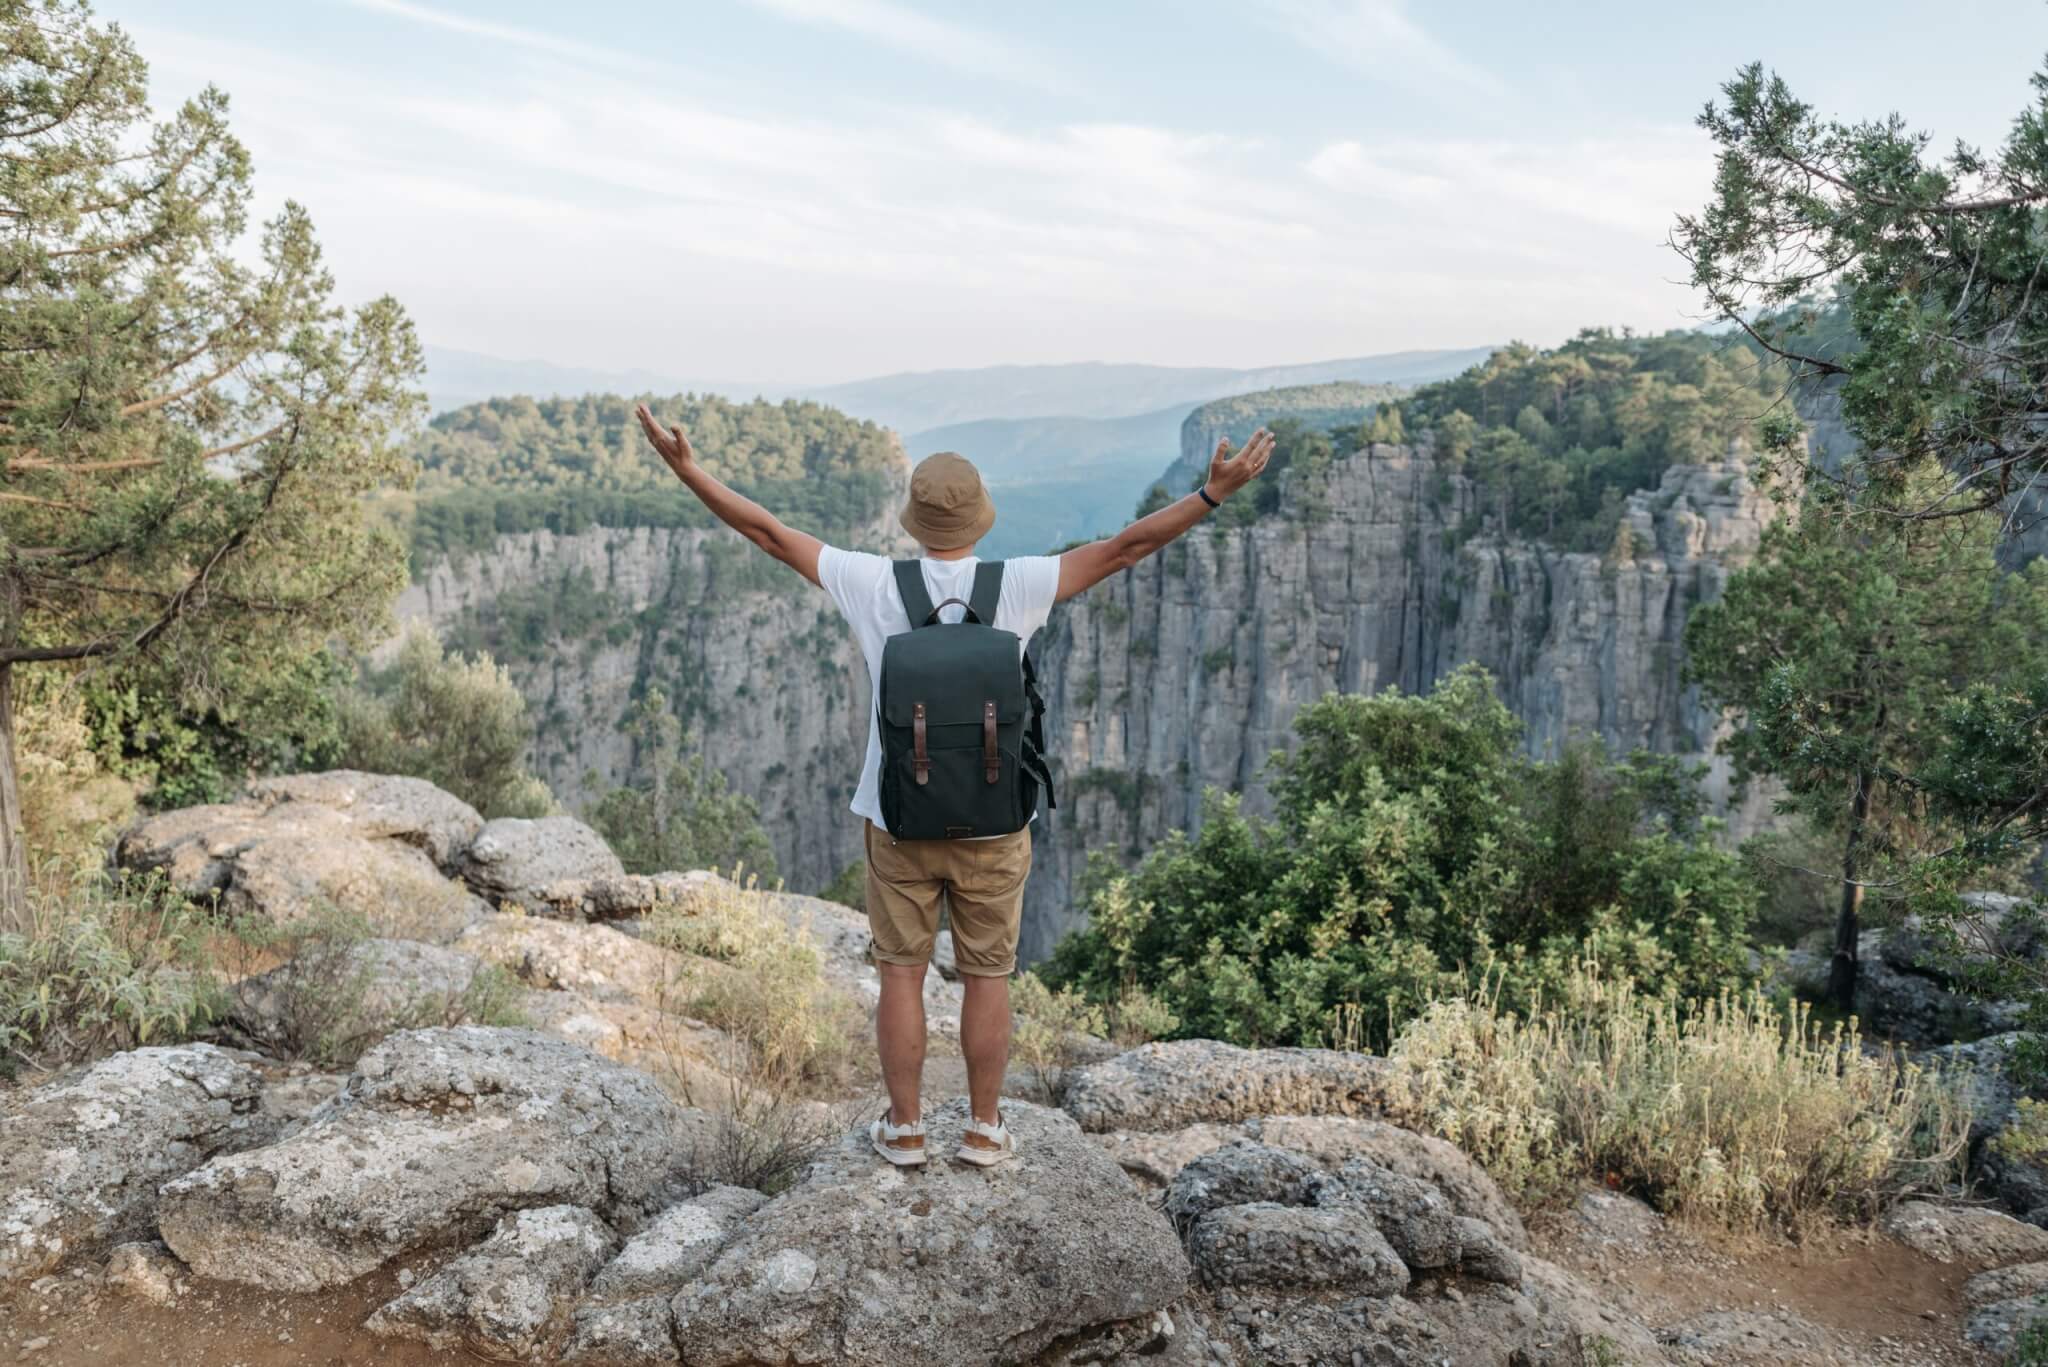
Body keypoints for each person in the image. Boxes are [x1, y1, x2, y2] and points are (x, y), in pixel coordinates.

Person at [634, 402, 1273, 1166]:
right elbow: (1128, 547)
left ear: (911, 524)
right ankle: (983, 1127)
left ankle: (904, 1130)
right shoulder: (1022, 584)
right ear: (980, 519)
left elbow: (768, 533)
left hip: (897, 818)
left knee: (901, 974)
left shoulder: (871, 582)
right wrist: (1211, 495)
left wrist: (689, 469)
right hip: (996, 821)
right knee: (987, 975)